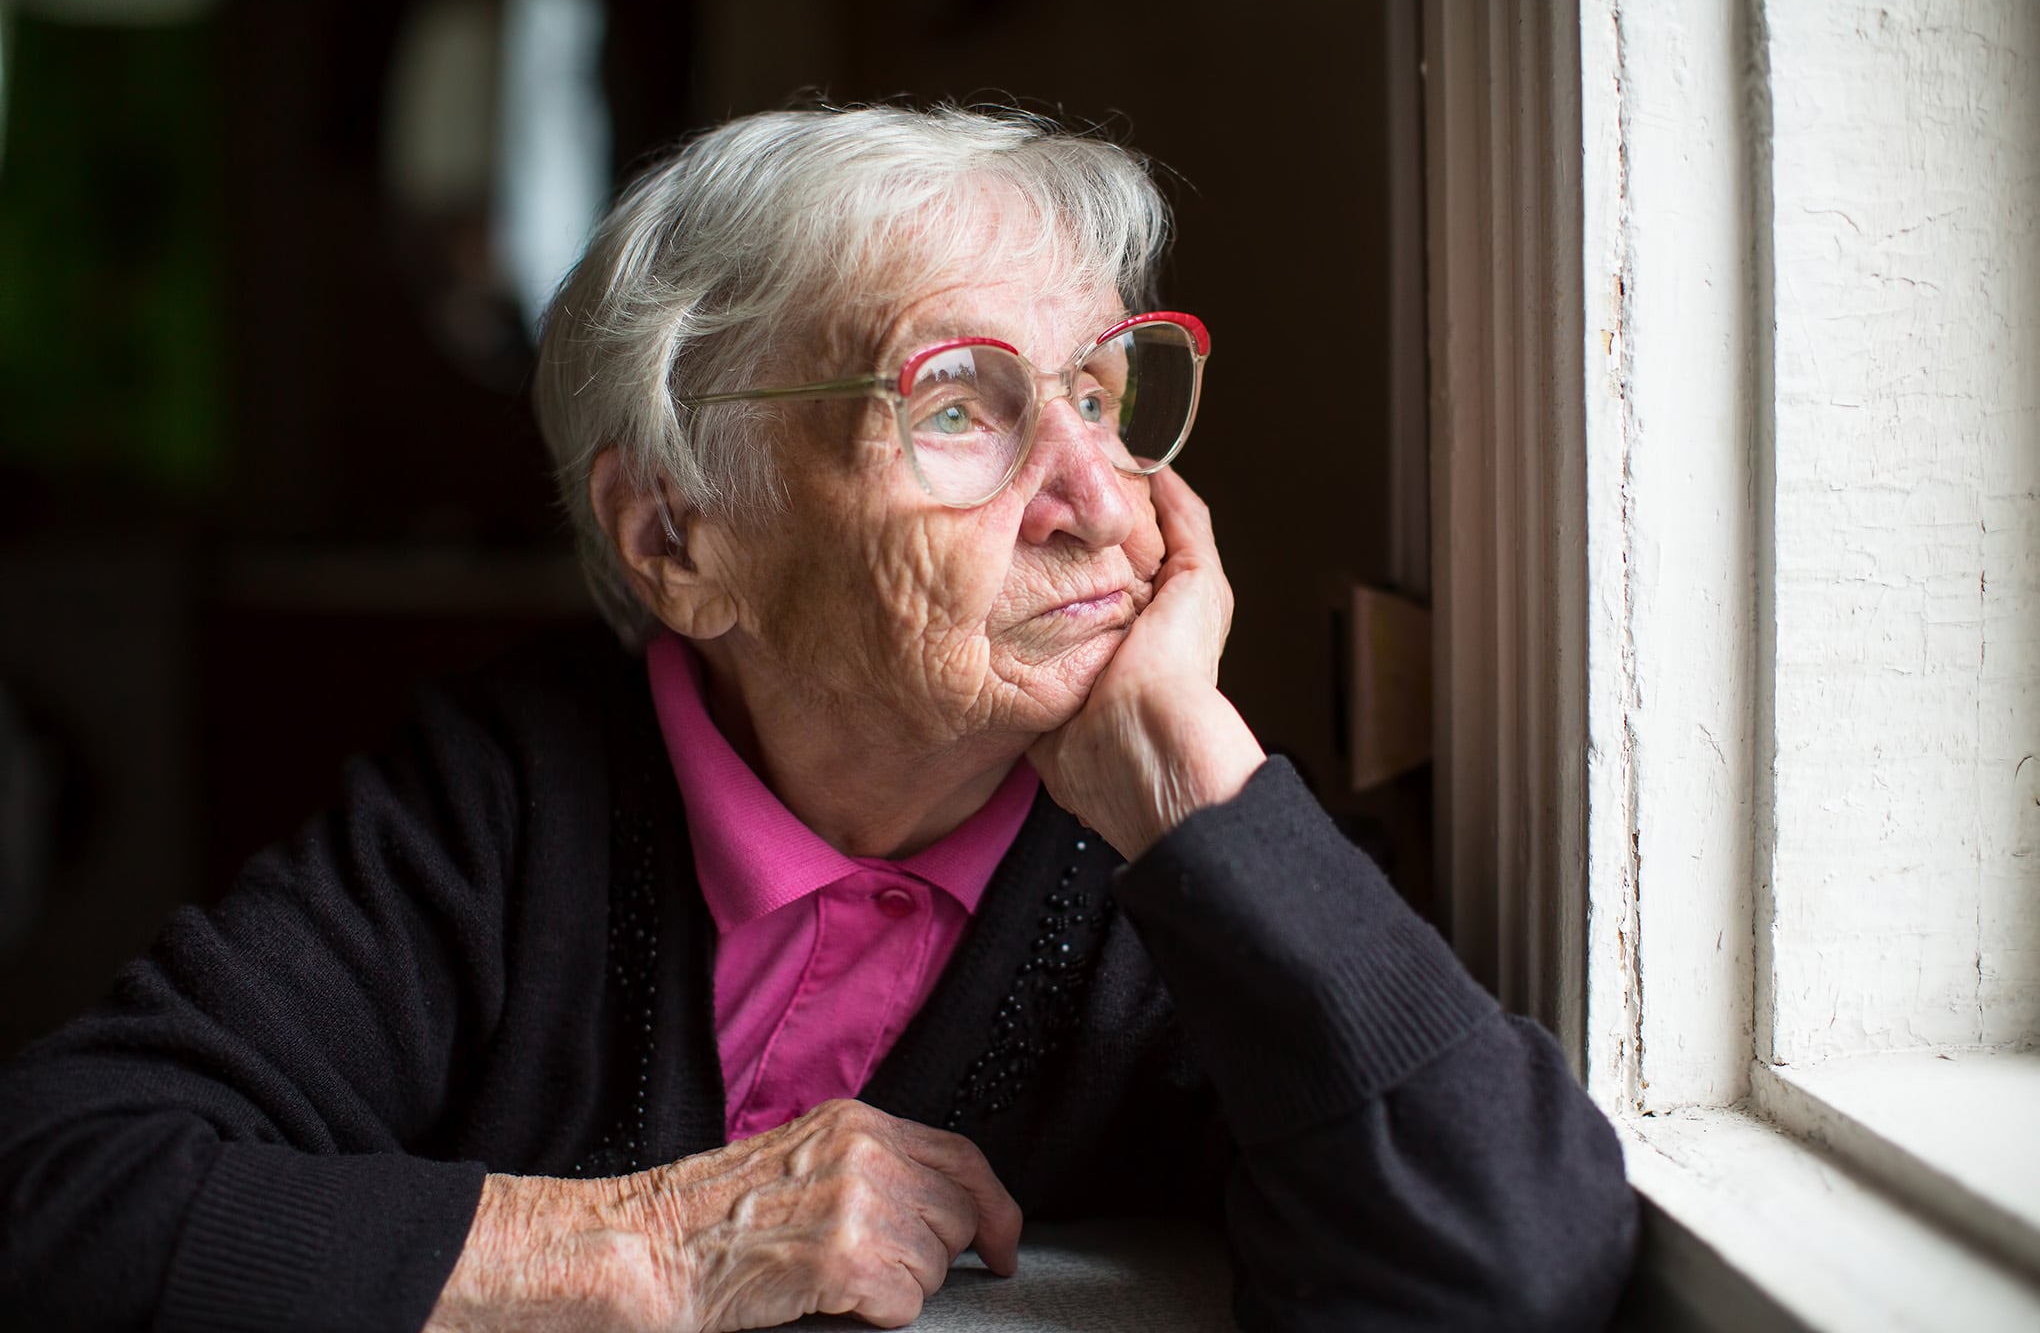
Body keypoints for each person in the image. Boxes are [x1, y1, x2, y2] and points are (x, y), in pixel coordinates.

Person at [0, 104, 1636, 1332]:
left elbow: (1514, 1257)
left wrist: (1193, 779)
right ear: (678, 538)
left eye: (1098, 391)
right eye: (954, 406)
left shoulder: (1183, 860)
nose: (1096, 497)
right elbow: (56, 1192)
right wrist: (658, 1244)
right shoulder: (509, 803)